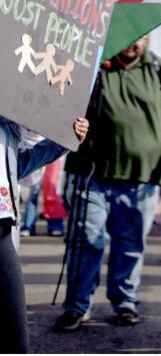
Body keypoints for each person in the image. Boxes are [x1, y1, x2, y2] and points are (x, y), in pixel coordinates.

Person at [56, 35, 161, 332]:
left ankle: (125, 302)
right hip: (91, 174)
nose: (132, 43)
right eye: (127, 36)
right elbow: (64, 98)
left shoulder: (159, 69)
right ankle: (77, 305)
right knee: (86, 241)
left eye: (140, 37)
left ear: (148, 38)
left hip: (141, 177)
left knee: (130, 245)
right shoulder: (93, 66)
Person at [1, 117, 89, 353]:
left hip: (3, 230)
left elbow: (21, 167)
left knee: (15, 342)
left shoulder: (7, 120)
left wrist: (65, 139)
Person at [18, 128, 65, 237]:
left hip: (54, 145)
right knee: (33, 190)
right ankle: (28, 225)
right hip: (34, 144)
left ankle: (55, 224)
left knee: (52, 188)